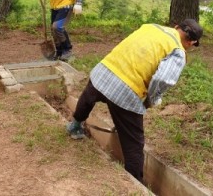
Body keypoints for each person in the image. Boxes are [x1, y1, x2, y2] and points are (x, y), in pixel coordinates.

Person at [65, 19, 203, 182]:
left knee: (88, 97)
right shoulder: (177, 51)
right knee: (134, 141)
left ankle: (75, 126)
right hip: (127, 90)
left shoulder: (151, 27)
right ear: (191, 42)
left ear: (176, 27)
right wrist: (151, 99)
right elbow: (162, 80)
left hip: (104, 70)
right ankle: (134, 182)